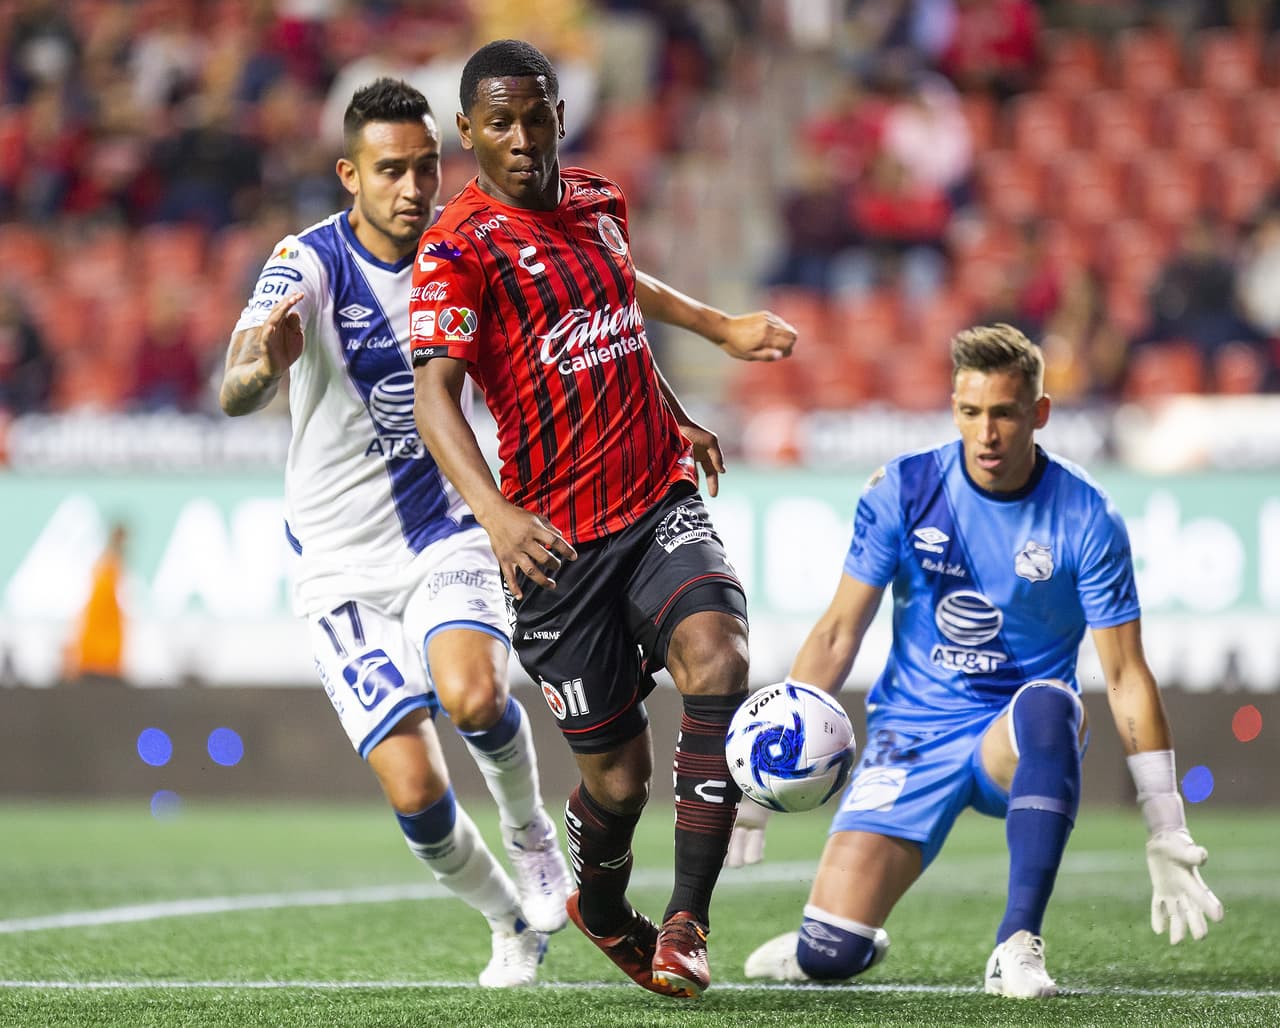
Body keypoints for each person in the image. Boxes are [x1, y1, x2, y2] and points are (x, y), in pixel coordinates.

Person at [408, 40, 797, 999]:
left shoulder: (598, 202)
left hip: (655, 498)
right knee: (619, 783)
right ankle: (602, 899)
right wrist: (496, 517)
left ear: (558, 116)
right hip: (557, 549)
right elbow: (433, 399)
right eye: (500, 121)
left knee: (720, 656)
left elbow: (616, 307)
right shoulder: (458, 249)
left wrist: (676, 404)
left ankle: (688, 922)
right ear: (469, 132)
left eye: (536, 115)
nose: (522, 137)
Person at [740, 323, 1223, 998]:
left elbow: (1125, 675)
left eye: (1004, 413)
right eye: (971, 413)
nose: (987, 433)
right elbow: (836, 635)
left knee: (1053, 703)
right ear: (953, 408)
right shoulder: (904, 491)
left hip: (1017, 737)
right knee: (829, 956)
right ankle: (827, 944)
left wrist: (1166, 823)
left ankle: (1017, 943)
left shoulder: (1087, 517)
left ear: (1040, 414)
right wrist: (761, 782)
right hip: (911, 733)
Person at [218, 77, 573, 989]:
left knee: (476, 697)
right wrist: (266, 365)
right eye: (391, 172)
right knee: (414, 791)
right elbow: (237, 379)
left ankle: (532, 831)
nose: (413, 188)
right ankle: (506, 922)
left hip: (445, 534)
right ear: (350, 176)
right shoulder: (308, 260)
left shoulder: (466, 247)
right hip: (337, 569)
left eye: (426, 168)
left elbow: (598, 280)